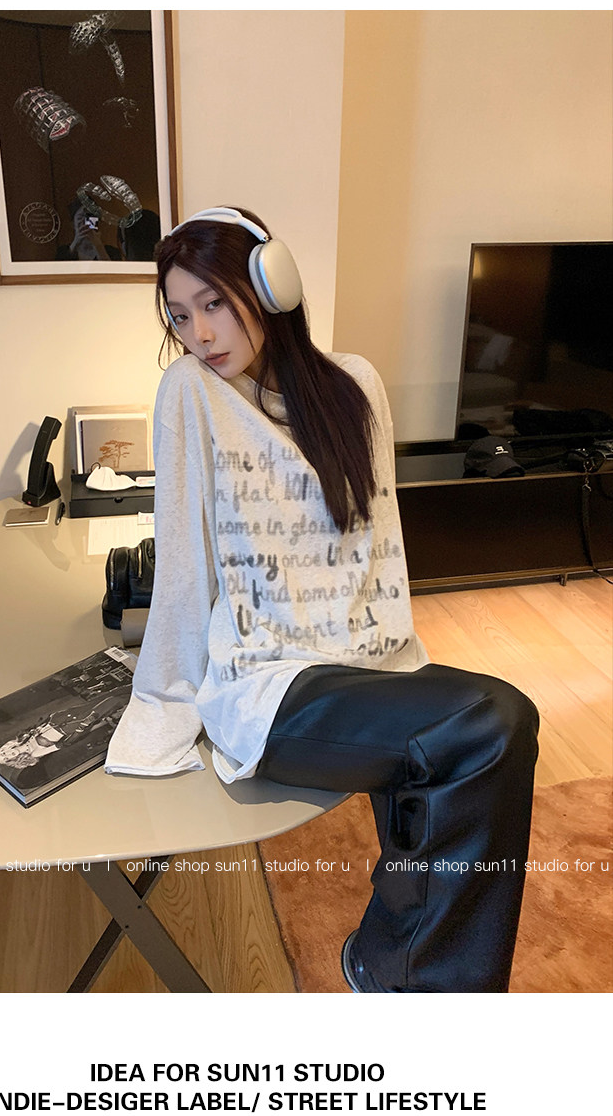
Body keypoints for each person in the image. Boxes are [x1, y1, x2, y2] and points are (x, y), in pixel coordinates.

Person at [104, 206, 540, 993]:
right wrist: (166, 701)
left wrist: (393, 657)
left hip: (353, 659)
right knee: (489, 722)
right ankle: (418, 984)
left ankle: (394, 961)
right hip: (267, 684)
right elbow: (184, 569)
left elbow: (379, 543)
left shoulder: (354, 384)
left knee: (501, 726)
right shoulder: (190, 393)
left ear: (271, 285)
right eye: (181, 315)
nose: (200, 334)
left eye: (214, 302)